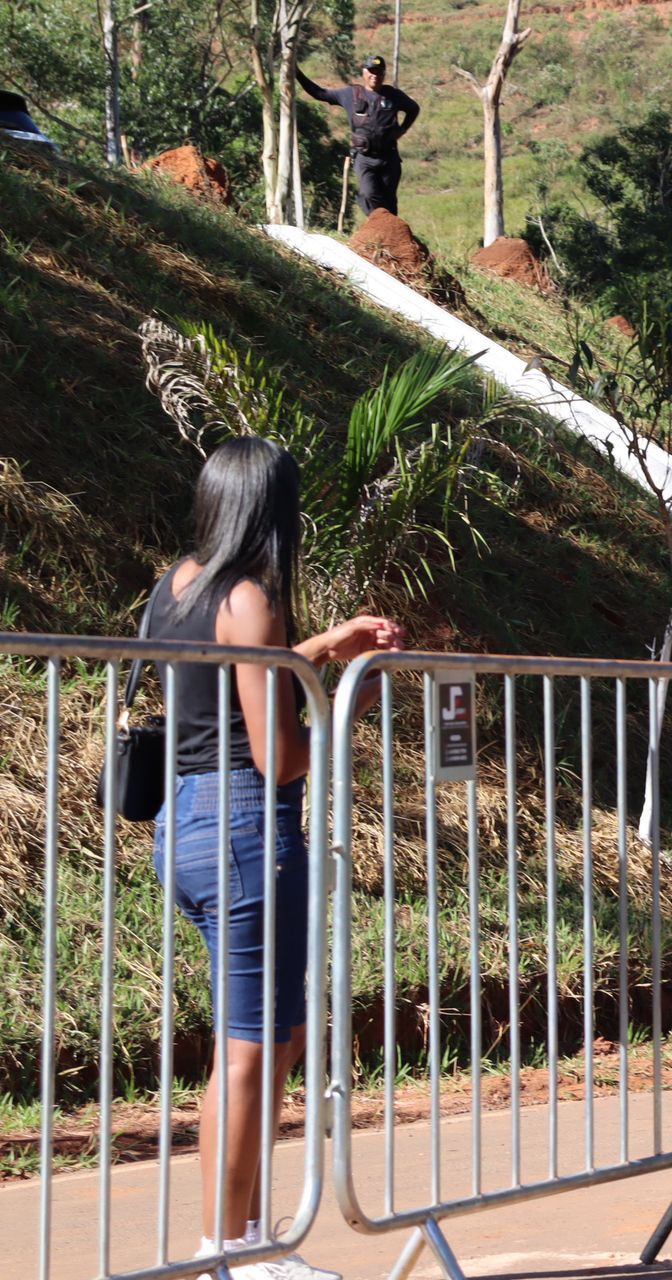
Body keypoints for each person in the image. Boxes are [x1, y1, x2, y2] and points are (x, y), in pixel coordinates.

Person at [151, 437, 405, 1280]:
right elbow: (282, 757)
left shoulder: (179, 584)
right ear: (275, 512)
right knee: (253, 1050)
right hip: (246, 829)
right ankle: (231, 1251)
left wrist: (323, 644)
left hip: (186, 820)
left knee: (273, 1039)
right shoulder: (251, 596)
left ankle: (243, 1238)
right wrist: (351, 699)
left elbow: (228, 677)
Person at [295, 54, 419, 217]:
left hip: (389, 158)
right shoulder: (351, 94)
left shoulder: (393, 95)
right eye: (372, 71)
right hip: (364, 158)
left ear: (384, 74)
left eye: (379, 72)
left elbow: (413, 109)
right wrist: (297, 73)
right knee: (369, 195)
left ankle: (389, 229)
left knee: (389, 202)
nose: (375, 76)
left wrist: (403, 129)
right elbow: (320, 93)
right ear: (364, 72)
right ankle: (376, 224)